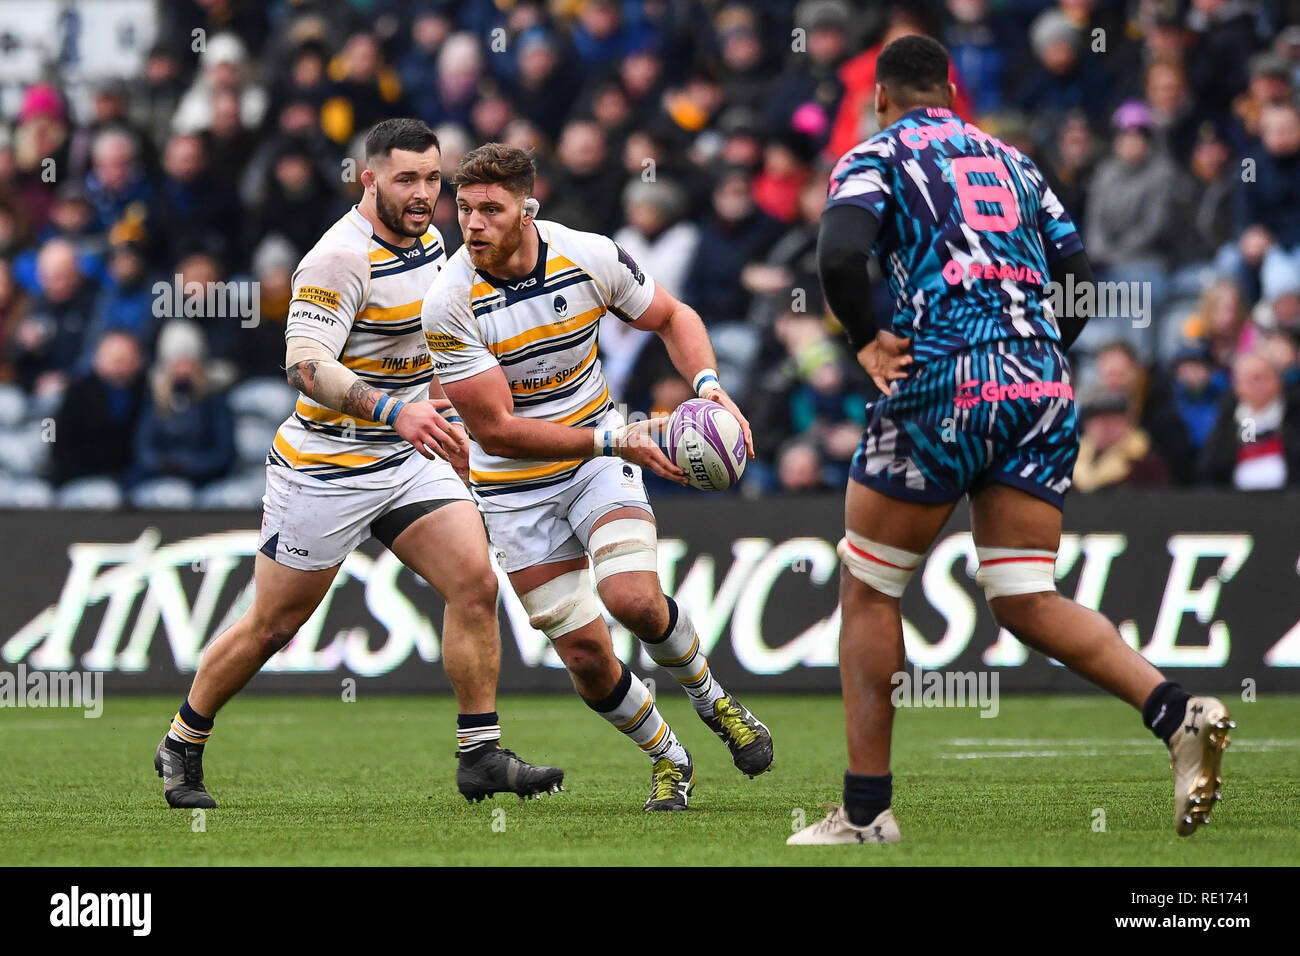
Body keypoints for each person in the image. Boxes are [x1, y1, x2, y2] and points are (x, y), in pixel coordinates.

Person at [792, 36, 1234, 845]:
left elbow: (840, 253)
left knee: (870, 587)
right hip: (1039, 384)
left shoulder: (874, 153)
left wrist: (865, 336)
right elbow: (1082, 281)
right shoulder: (1017, 163)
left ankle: (863, 815)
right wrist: (1031, 353)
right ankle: (1178, 712)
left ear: (883, 96)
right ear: (952, 90)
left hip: (941, 376)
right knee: (1025, 595)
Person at [153, 120, 561, 810]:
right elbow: (304, 367)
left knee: (472, 582)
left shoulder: (433, 241)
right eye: (407, 179)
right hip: (326, 468)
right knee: (273, 626)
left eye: (435, 179)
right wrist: (395, 410)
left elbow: (431, 348)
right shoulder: (338, 258)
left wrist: (445, 414)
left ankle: (479, 752)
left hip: (404, 457)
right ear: (368, 180)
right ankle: (183, 740)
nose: (424, 194)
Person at [421, 143, 774, 811]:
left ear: (529, 207)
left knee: (634, 601)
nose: (472, 224)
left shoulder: (589, 255)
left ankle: (715, 702)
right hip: (514, 485)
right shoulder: (447, 302)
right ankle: (669, 757)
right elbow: (494, 430)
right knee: (585, 656)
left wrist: (709, 387)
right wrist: (615, 436)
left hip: (595, 467)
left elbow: (672, 316)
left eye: (490, 209)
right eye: (463, 208)